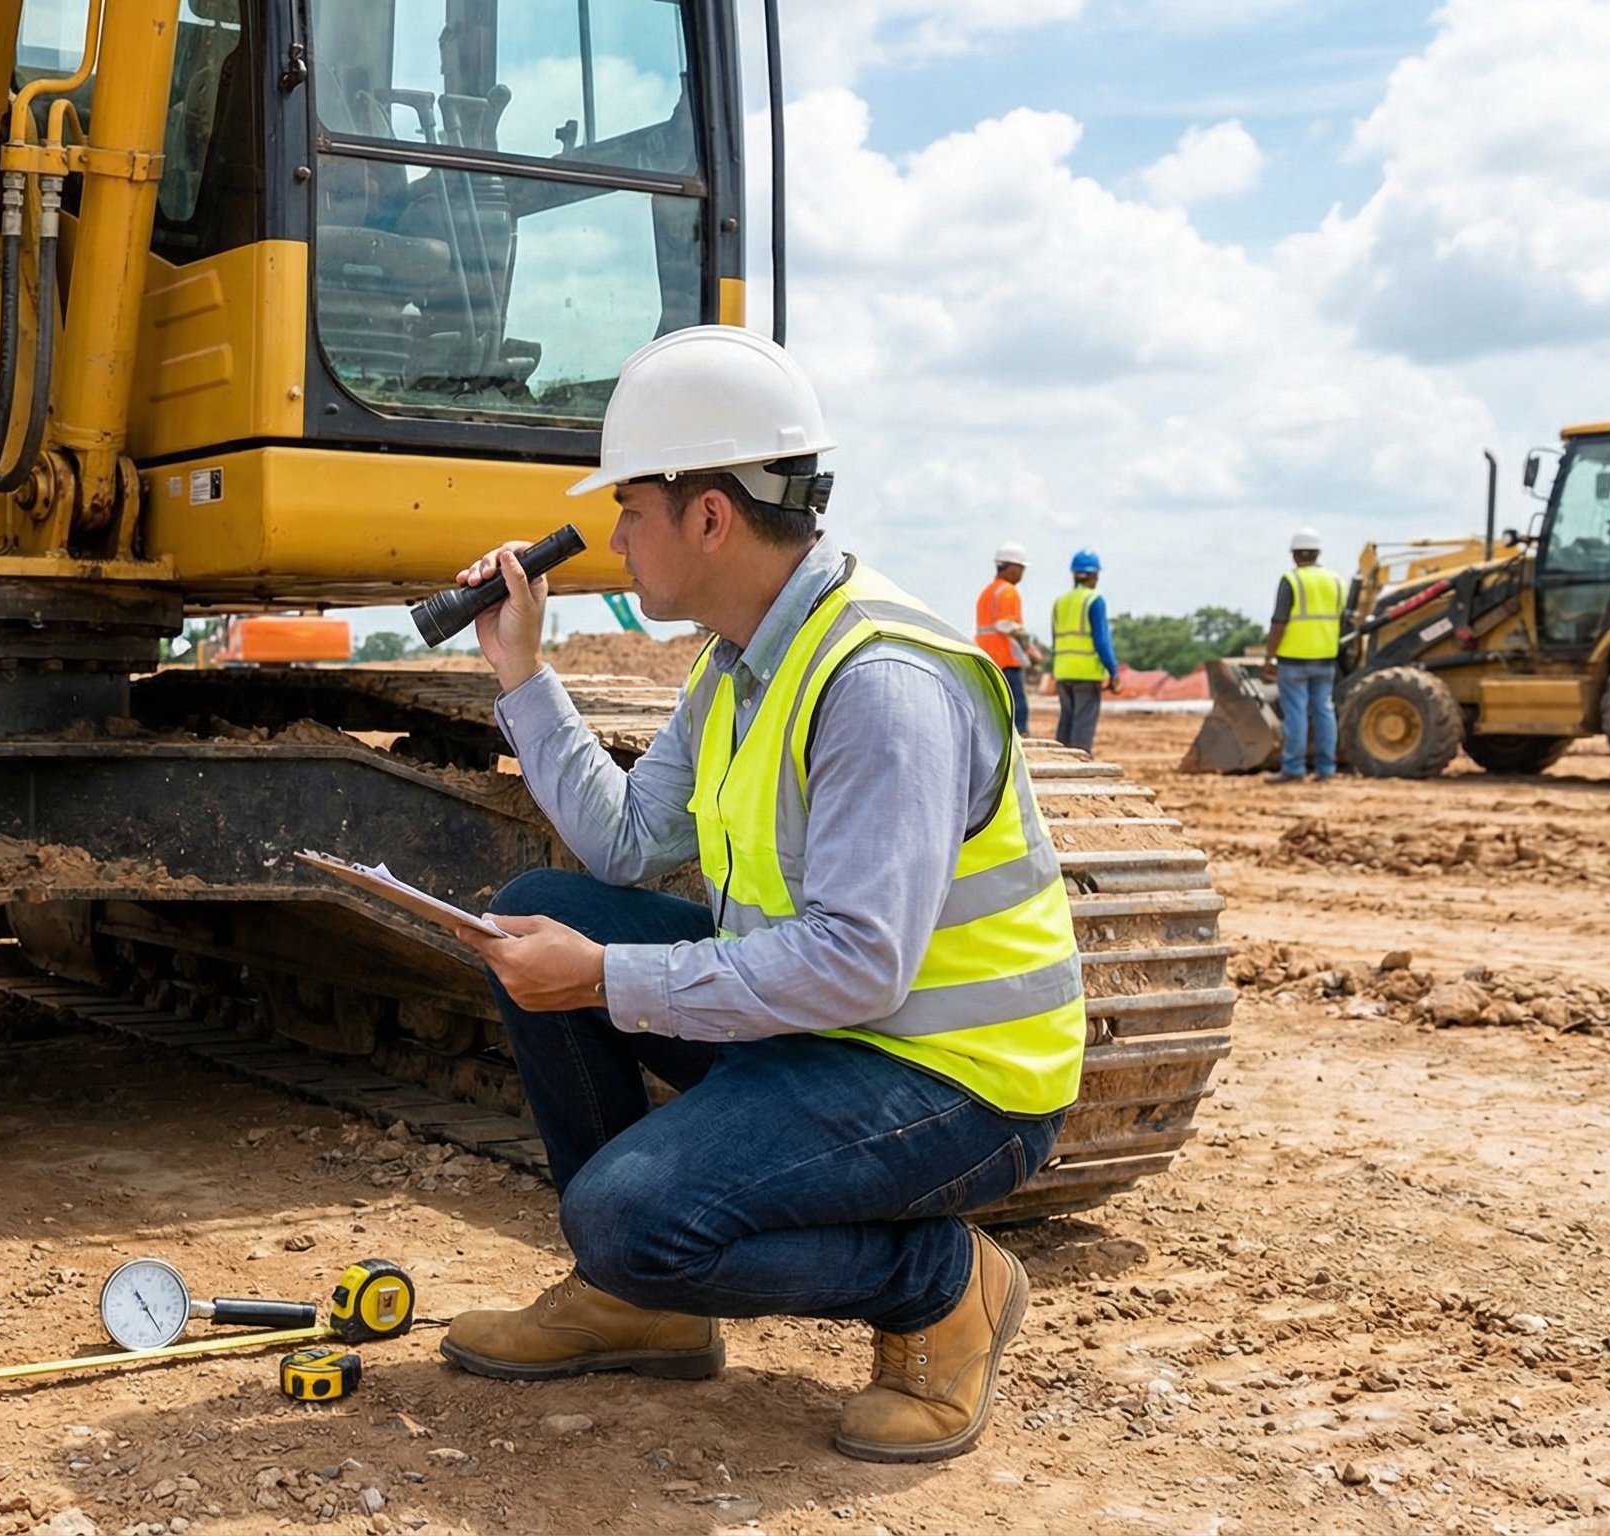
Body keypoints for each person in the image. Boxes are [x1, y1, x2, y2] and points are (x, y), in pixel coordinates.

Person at [434, 326, 1084, 1466]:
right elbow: (628, 846)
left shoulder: (878, 682)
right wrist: (521, 672)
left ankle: (941, 1284)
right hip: (836, 1030)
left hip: (953, 1077)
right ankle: (640, 1301)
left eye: (631, 510)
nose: (616, 540)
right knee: (544, 900)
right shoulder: (738, 660)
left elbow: (859, 962)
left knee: (628, 1212)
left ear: (710, 516)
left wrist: (608, 979)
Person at [1262, 528, 1343, 781]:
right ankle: (1326, 769)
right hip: (1327, 657)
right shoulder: (1337, 580)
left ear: (1294, 556)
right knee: (1324, 710)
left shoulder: (1292, 580)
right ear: (1318, 553)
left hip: (1294, 659)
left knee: (1296, 712)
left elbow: (1279, 621)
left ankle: (1294, 769)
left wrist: (1269, 656)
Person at [1049, 551, 1120, 753]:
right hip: (1086, 674)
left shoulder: (1060, 602)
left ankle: (1059, 764)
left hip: (1063, 672)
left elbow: (1056, 640)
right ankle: (1079, 767)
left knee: (1066, 723)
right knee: (1082, 727)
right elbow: (1101, 640)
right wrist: (1113, 671)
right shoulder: (1094, 600)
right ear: (1094, 575)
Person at [975, 542, 1043, 734]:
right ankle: (1021, 745)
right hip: (1006, 658)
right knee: (1018, 708)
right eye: (1020, 567)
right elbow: (1007, 625)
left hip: (988, 658)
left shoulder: (987, 592)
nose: (1022, 572)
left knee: (996, 709)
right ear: (1010, 567)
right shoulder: (1007, 591)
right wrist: (1030, 650)